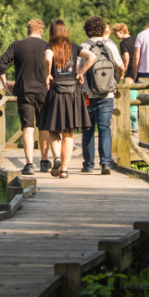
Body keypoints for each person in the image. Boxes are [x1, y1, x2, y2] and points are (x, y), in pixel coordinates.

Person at [0, 19, 51, 175]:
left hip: (24, 91)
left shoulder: (17, 45)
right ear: (41, 32)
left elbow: (0, 65)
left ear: (27, 31)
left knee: (28, 127)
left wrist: (5, 84)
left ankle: (29, 164)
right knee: (44, 126)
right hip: (43, 91)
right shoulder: (47, 46)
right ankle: (45, 162)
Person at [41, 20, 90, 178]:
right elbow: (92, 57)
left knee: (53, 129)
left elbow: (48, 59)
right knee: (68, 133)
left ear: (52, 32)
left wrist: (48, 74)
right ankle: (64, 170)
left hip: (56, 91)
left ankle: (55, 158)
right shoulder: (74, 47)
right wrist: (80, 73)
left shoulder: (50, 47)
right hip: (72, 92)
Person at [76, 15, 122, 174]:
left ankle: (88, 165)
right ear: (103, 29)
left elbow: (77, 70)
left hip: (87, 94)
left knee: (87, 129)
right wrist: (116, 81)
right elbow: (121, 66)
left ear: (87, 30)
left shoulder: (83, 46)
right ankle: (106, 164)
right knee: (104, 128)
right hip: (107, 94)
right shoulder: (111, 46)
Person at [114, 22, 139, 132]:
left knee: (128, 96)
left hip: (130, 70)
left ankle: (129, 124)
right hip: (140, 69)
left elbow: (127, 58)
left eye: (116, 35)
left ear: (121, 32)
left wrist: (123, 69)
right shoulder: (137, 39)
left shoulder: (123, 43)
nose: (116, 37)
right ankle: (138, 124)